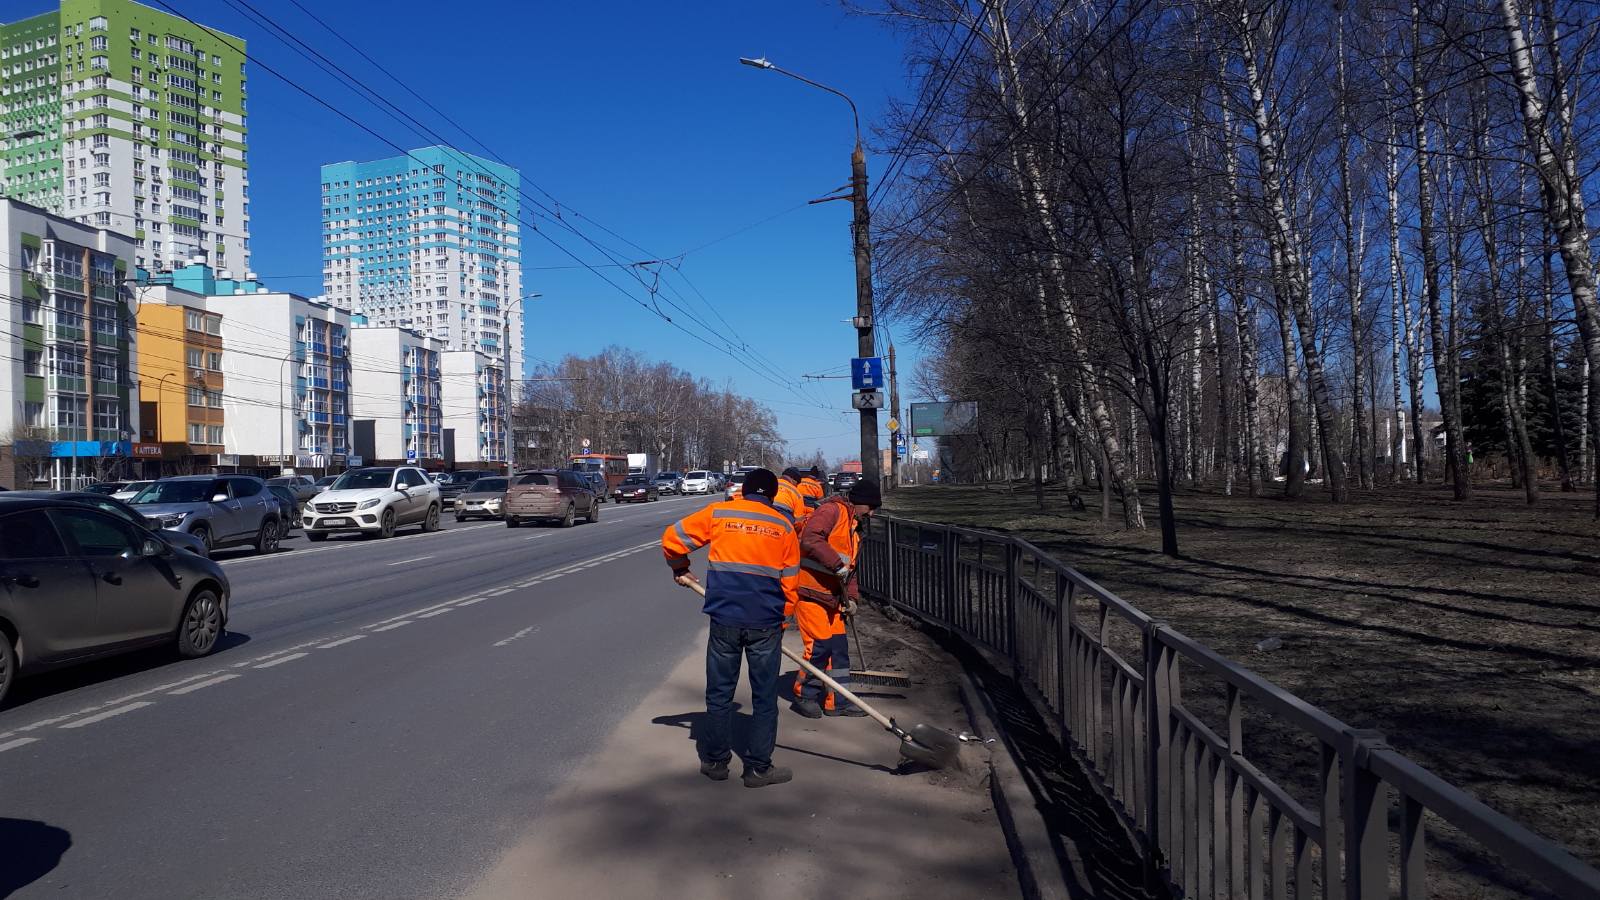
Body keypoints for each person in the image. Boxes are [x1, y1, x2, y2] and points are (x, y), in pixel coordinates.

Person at [662, 467, 800, 788]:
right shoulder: (784, 526)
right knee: (765, 698)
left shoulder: (720, 512)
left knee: (719, 693)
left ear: (744, 490)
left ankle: (715, 762)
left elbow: (672, 539)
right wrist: (783, 618)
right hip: (765, 624)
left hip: (724, 619)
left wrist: (680, 567)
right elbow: (790, 583)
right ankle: (758, 768)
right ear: (773, 495)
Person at [790, 477, 881, 718]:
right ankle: (804, 694)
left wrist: (851, 599)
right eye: (870, 508)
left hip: (832, 598)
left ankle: (838, 701)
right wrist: (835, 563)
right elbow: (810, 539)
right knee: (820, 647)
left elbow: (849, 570)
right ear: (860, 502)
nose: (871, 514)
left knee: (838, 649)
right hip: (810, 593)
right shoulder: (831, 511)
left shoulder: (854, 529)